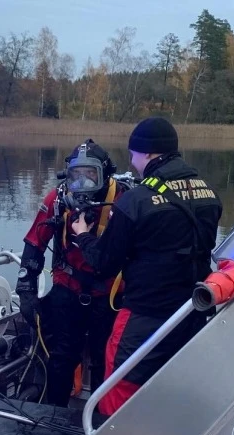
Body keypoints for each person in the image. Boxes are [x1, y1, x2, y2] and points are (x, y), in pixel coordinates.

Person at [70, 117, 223, 415]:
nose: (132, 161)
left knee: (118, 382)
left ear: (148, 154)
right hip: (191, 313)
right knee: (170, 381)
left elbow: (103, 262)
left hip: (144, 315)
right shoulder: (208, 193)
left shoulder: (136, 201)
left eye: (133, 154)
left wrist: (83, 235)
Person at [16, 139, 130, 407]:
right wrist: (26, 290)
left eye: (91, 176)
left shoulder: (124, 200)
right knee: (61, 357)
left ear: (105, 175)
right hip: (68, 290)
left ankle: (101, 420)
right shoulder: (57, 200)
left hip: (109, 295)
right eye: (76, 176)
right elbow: (34, 244)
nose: (83, 184)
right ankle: (54, 417)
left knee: (106, 359)